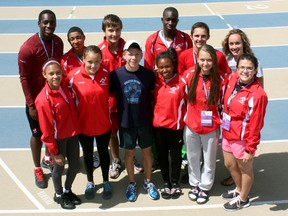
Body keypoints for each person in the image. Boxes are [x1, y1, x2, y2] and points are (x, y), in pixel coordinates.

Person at [18, 9, 64, 188]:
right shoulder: (28, 48)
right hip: (37, 102)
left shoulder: (58, 42)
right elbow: (24, 78)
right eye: (45, 22)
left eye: (52, 22)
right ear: (39, 23)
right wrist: (31, 104)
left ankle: (48, 158)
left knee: (51, 133)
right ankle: (37, 168)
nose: (49, 26)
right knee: (37, 135)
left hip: (54, 98)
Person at [109, 40, 160, 202]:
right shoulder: (116, 75)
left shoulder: (148, 74)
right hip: (126, 123)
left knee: (146, 153)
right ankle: (131, 182)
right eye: (130, 53)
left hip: (144, 122)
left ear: (141, 55)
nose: (133, 57)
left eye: (137, 54)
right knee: (129, 154)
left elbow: (152, 97)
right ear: (124, 55)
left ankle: (148, 181)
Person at [98, 14, 144, 179]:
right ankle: (116, 159)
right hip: (109, 101)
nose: (114, 34)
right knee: (112, 132)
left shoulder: (128, 47)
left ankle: (130, 157)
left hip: (129, 99)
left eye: (117, 30)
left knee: (129, 129)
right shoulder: (99, 51)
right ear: (104, 31)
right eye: (110, 30)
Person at [221, 54, 268, 211]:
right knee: (229, 164)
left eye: (249, 68)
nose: (245, 71)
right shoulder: (233, 79)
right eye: (242, 67)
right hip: (227, 131)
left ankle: (243, 198)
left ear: (255, 71)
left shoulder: (258, 94)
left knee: (245, 169)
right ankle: (239, 189)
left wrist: (250, 148)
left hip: (242, 138)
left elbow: (257, 124)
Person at [67, 45, 112, 200]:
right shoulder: (72, 77)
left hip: (103, 124)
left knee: (104, 153)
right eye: (90, 62)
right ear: (83, 60)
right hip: (83, 126)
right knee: (87, 154)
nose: (93, 66)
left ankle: (106, 181)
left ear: (101, 61)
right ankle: (90, 182)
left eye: (97, 62)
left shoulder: (107, 74)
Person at [221, 28, 265, 187]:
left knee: (243, 151)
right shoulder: (227, 60)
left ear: (243, 43)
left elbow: (259, 88)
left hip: (245, 112)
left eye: (237, 43)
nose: (234, 46)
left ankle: (242, 184)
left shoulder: (254, 62)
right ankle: (236, 178)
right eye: (231, 43)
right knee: (231, 154)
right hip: (230, 114)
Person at [35, 60, 81, 210]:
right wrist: (55, 152)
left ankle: (68, 191)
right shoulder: (43, 100)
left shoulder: (65, 87)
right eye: (51, 74)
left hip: (73, 134)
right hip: (59, 139)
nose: (55, 76)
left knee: (74, 166)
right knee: (59, 169)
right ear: (44, 75)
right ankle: (59, 195)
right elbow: (46, 131)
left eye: (58, 73)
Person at [183, 45, 223, 204]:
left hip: (210, 126)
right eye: (202, 59)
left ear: (214, 61)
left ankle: (205, 186)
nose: (205, 63)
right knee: (192, 157)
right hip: (192, 125)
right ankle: (194, 184)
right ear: (197, 59)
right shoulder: (189, 75)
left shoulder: (220, 79)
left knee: (209, 159)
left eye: (209, 60)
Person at [60, 27, 100, 169]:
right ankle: (83, 154)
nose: (76, 41)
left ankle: (95, 153)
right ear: (69, 41)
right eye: (72, 39)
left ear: (84, 37)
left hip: (92, 100)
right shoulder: (65, 60)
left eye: (78, 37)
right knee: (79, 131)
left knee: (95, 127)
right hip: (75, 102)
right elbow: (63, 83)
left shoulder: (92, 54)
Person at [153, 47, 186, 199]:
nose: (164, 70)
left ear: (173, 65)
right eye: (161, 67)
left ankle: (175, 182)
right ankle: (166, 182)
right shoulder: (155, 81)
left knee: (175, 156)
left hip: (175, 128)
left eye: (167, 66)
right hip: (159, 127)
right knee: (162, 156)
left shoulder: (182, 82)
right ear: (157, 67)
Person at [144, 6, 192, 72]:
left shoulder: (185, 38)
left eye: (173, 20)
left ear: (177, 21)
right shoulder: (152, 40)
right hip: (160, 81)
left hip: (180, 80)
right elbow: (148, 65)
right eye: (168, 19)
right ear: (162, 20)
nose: (170, 23)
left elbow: (190, 62)